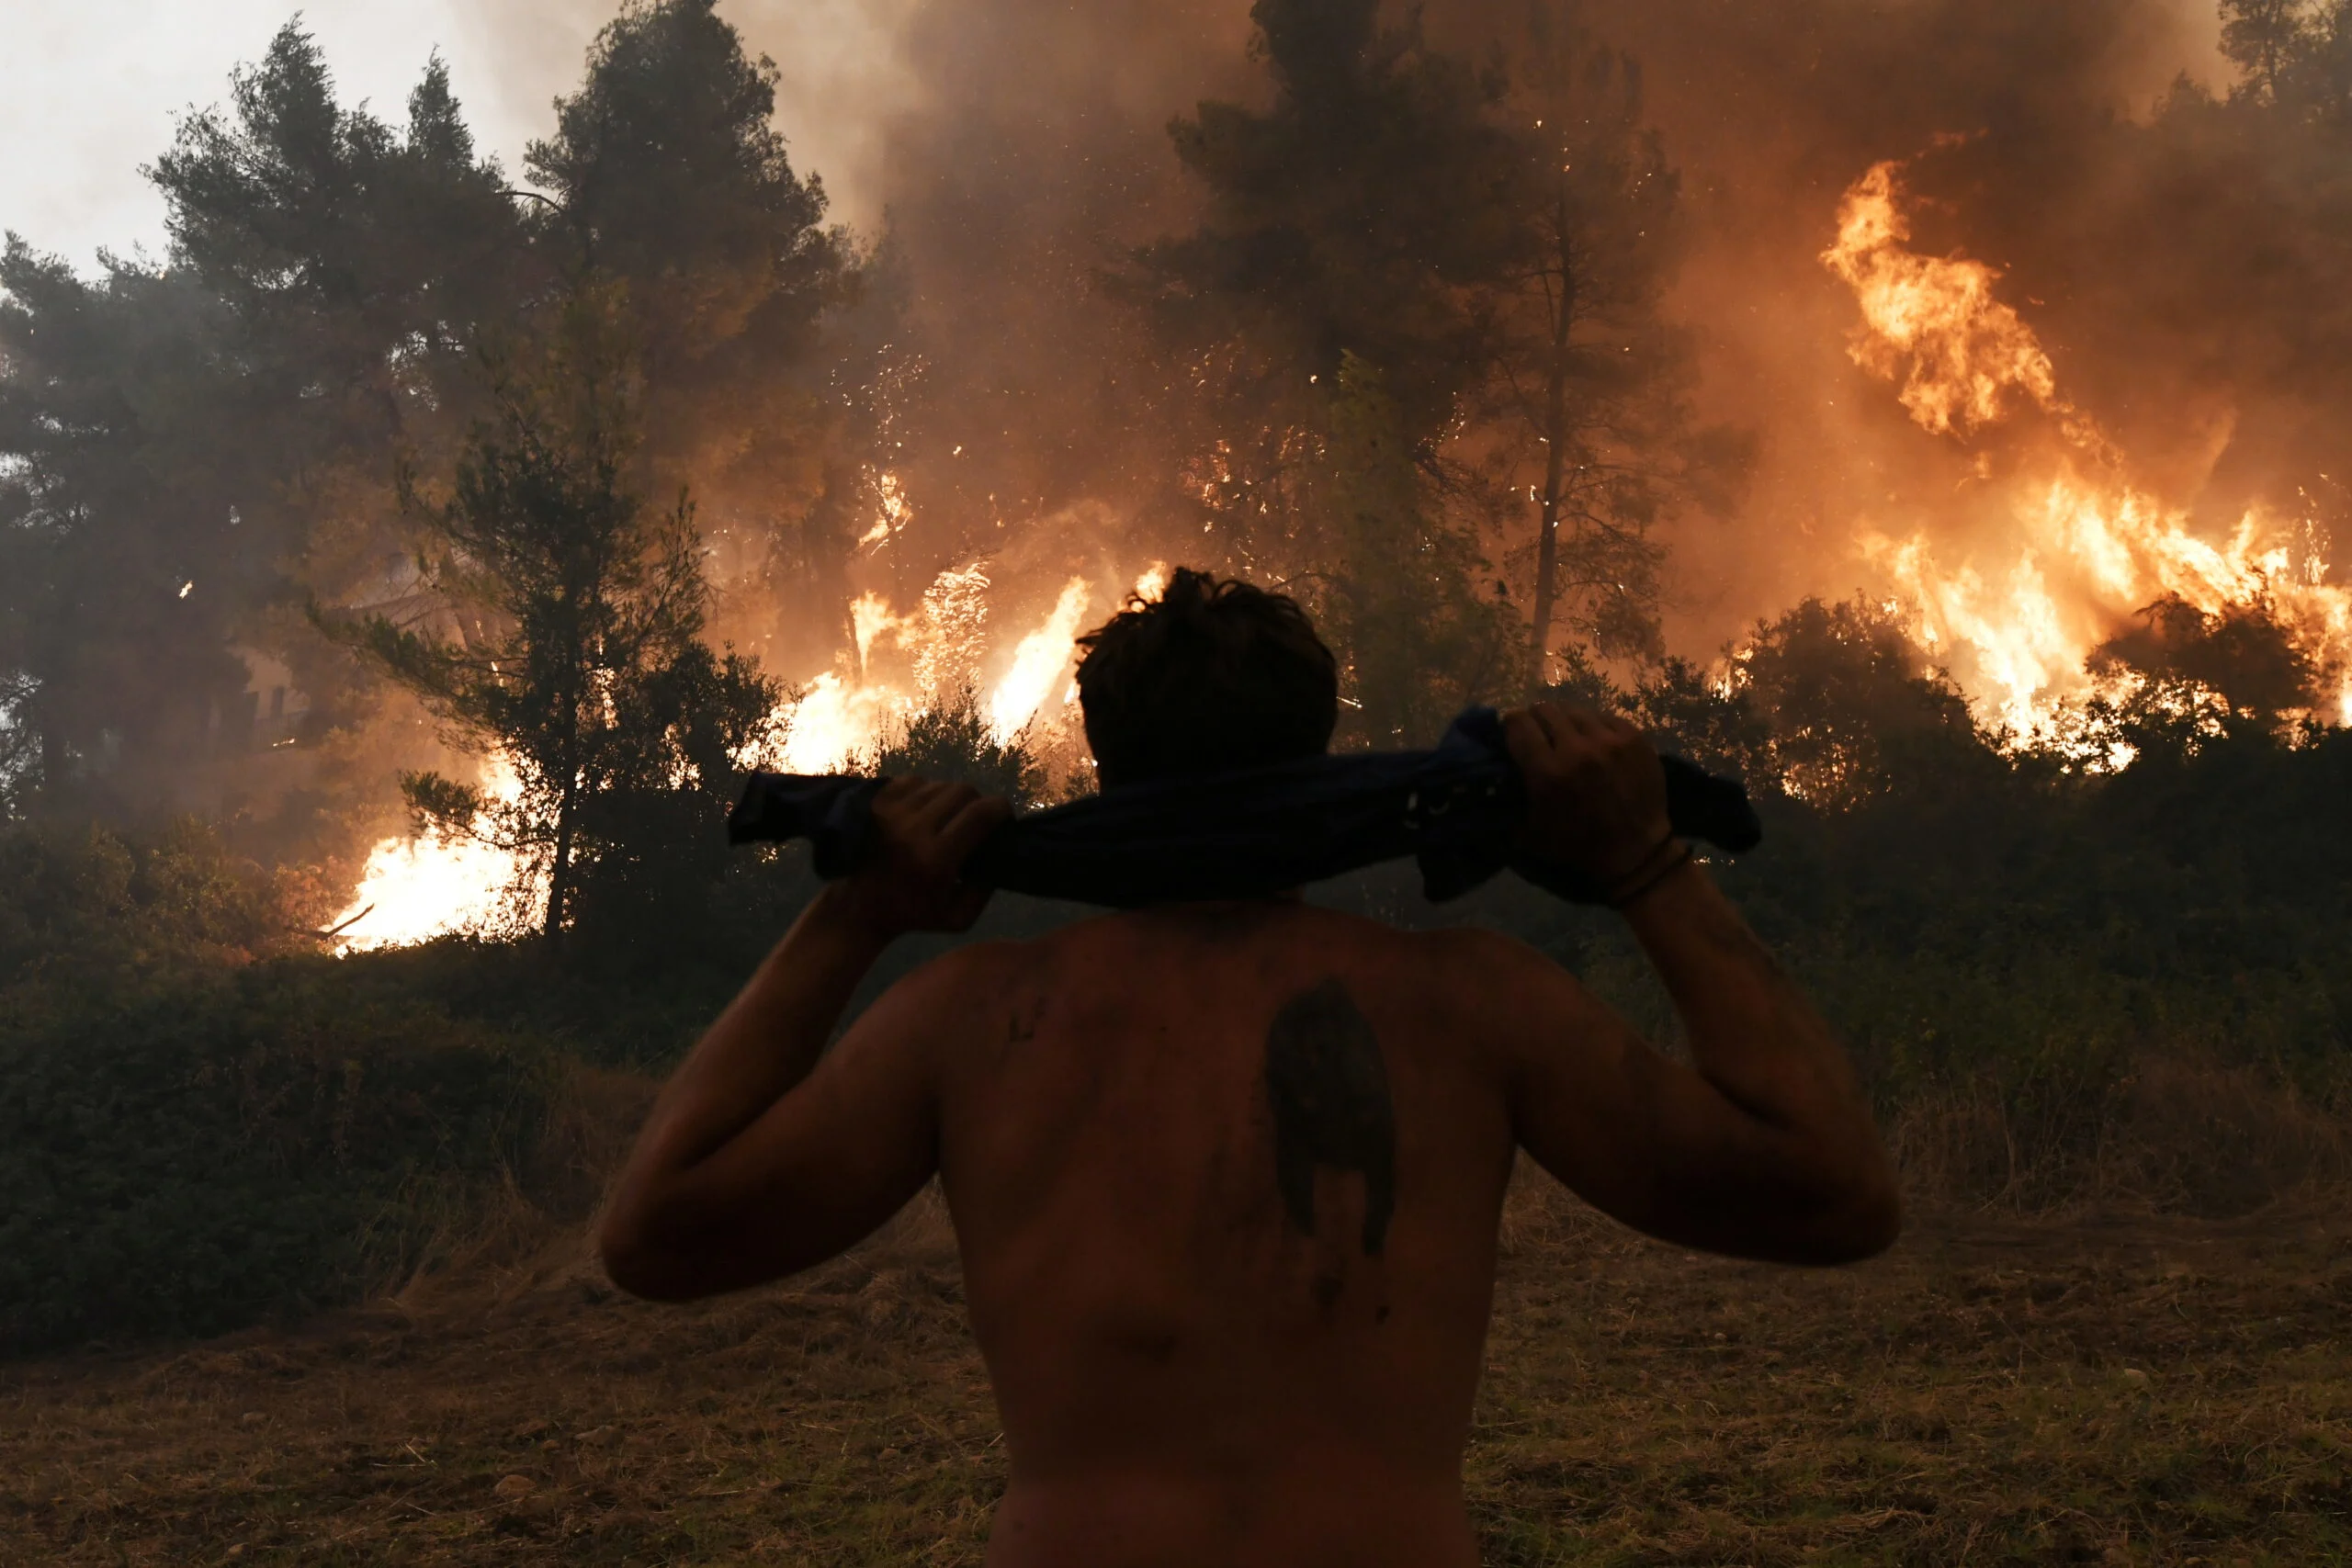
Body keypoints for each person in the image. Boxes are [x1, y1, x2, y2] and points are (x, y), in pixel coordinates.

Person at [599, 569, 1901, 1567]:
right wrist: (1645, 865)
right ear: (1320, 747)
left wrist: (853, 915)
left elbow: (656, 1234)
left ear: (1107, 760)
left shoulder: (967, 1025)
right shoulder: (1472, 1007)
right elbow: (1833, 1192)